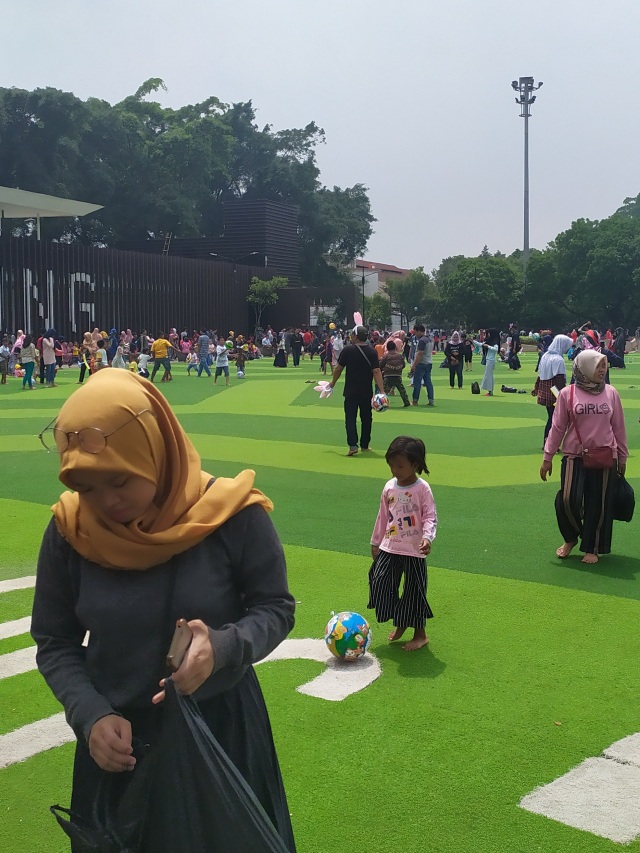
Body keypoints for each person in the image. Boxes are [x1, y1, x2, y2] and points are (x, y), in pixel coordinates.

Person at [31, 369, 297, 851]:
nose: (104, 502)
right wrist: (90, 715)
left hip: (219, 734)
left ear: (155, 448)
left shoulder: (231, 514)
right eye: (85, 486)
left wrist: (222, 646)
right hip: (117, 748)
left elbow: (274, 608)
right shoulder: (71, 530)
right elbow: (54, 642)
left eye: (118, 481)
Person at [540, 350, 628, 565]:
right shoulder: (567, 394)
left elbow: (619, 427)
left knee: (598, 503)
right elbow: (557, 427)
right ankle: (572, 536)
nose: (602, 370)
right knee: (568, 499)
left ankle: (593, 547)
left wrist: (623, 457)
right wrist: (548, 456)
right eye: (597, 365)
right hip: (573, 455)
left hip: (605, 455)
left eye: (603, 365)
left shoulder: (611, 393)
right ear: (584, 367)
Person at [369, 436, 437, 651]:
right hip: (390, 545)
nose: (394, 470)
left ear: (415, 464)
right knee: (379, 581)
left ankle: (420, 635)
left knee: (414, 591)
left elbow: (430, 516)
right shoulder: (389, 487)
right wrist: (375, 541)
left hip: (415, 549)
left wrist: (427, 537)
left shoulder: (422, 488)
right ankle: (401, 620)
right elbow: (383, 516)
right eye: (391, 465)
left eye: (400, 465)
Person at [328, 325, 385, 456]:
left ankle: (353, 445)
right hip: (366, 391)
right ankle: (365, 444)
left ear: (355, 336)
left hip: (351, 390)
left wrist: (332, 383)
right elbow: (376, 371)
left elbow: (338, 369)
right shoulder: (372, 352)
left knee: (350, 418)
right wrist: (381, 390)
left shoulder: (348, 350)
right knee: (366, 418)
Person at [532, 334, 572, 447]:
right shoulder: (558, 359)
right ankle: (551, 443)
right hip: (554, 390)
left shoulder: (545, 356)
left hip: (544, 388)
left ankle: (547, 442)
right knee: (556, 419)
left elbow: (540, 375)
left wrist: (536, 387)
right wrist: (564, 397)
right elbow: (559, 380)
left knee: (551, 417)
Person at [410, 323, 434, 407]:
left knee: (417, 383)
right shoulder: (430, 339)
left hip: (421, 363)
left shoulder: (422, 340)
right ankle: (431, 400)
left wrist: (414, 365)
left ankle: (415, 400)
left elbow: (420, 354)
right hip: (429, 362)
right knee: (428, 382)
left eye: (415, 332)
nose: (415, 334)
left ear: (419, 331)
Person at [380, 340, 410, 407]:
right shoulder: (399, 355)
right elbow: (403, 365)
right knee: (402, 390)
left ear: (387, 348)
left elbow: (381, 365)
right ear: (395, 347)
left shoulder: (386, 356)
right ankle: (406, 402)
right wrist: (398, 369)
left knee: (384, 391)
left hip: (388, 375)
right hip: (397, 375)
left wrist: (383, 370)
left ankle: (381, 403)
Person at [474, 328, 499, 396]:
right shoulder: (490, 341)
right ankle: (490, 390)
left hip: (491, 360)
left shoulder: (494, 341)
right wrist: (473, 341)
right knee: (489, 375)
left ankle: (490, 391)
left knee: (488, 375)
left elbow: (496, 349)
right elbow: (481, 344)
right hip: (488, 359)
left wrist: (488, 346)